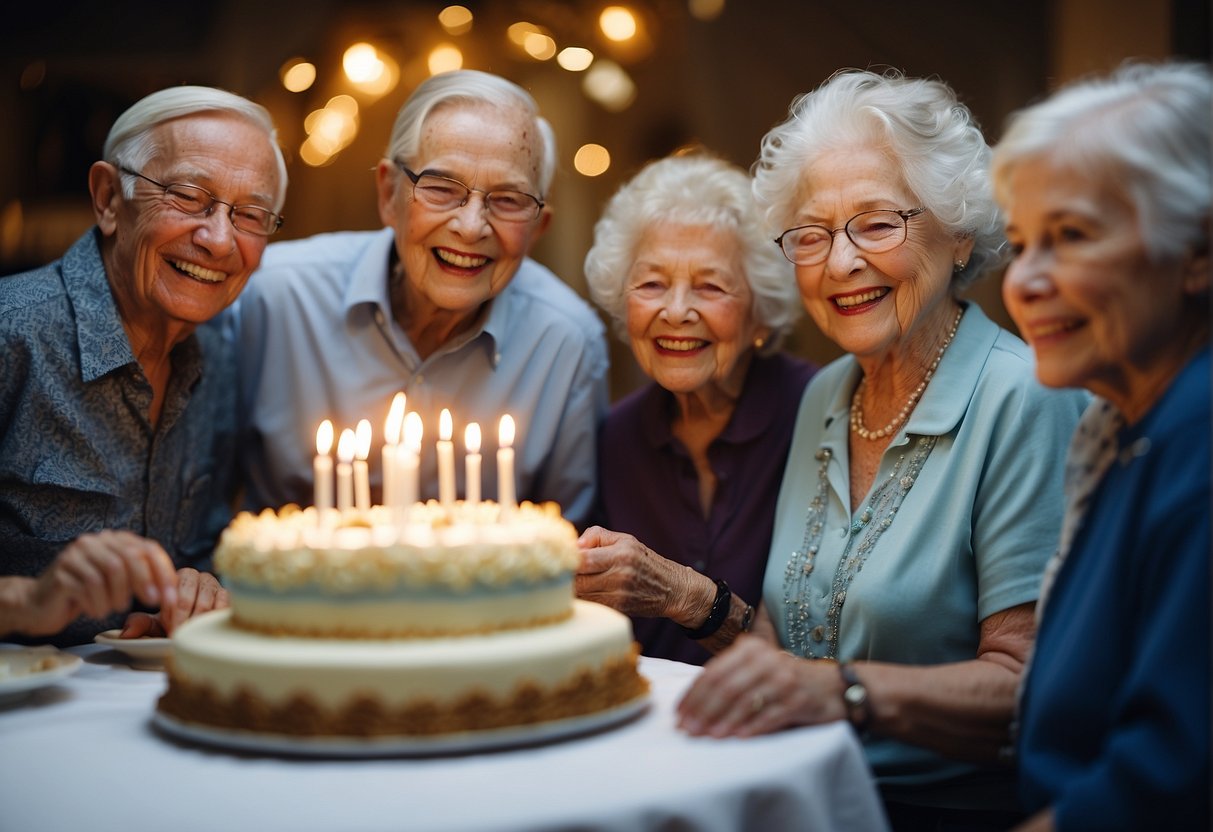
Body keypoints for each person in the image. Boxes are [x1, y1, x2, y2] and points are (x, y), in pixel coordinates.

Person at [674, 70, 1088, 830]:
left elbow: (1028, 683)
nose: (838, 263)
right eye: (811, 234)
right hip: (797, 797)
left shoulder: (1023, 397)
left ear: (958, 231)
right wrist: (685, 600)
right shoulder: (826, 395)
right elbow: (782, 636)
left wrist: (845, 694)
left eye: (875, 223)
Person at [233, 70, 608, 527]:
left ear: (537, 228)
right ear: (389, 194)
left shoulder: (568, 343)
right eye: (441, 188)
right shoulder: (270, 297)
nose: (471, 227)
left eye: (508, 199)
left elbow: (568, 549)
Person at [991, 61, 1211, 832]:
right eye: (1020, 244)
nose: (1024, 281)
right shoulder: (1121, 428)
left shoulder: (1198, 442)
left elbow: (1168, 784)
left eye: (1070, 236)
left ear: (1198, 251)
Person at [0, 85, 288, 646]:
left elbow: (204, 546)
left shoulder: (220, 357)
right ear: (109, 198)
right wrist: (28, 601)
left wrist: (200, 591)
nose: (219, 239)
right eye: (187, 195)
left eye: (251, 215)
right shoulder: (12, 334)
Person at [577, 151, 814, 665]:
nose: (677, 311)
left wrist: (686, 597)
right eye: (652, 284)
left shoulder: (822, 415)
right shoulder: (614, 437)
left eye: (710, 285)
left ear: (760, 313)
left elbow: (831, 654)